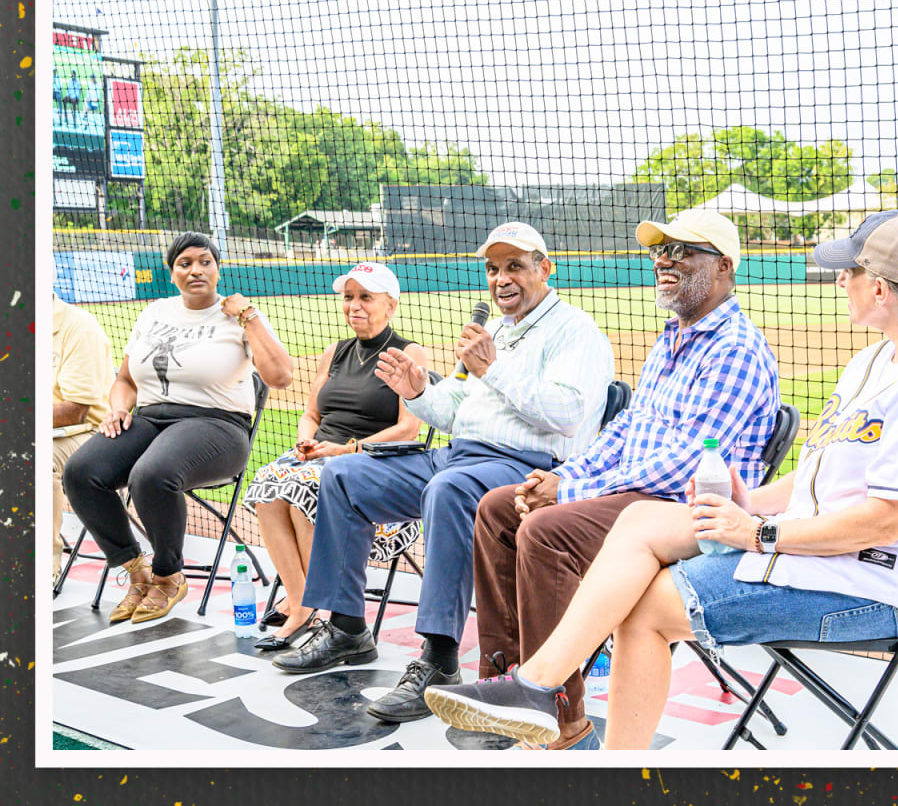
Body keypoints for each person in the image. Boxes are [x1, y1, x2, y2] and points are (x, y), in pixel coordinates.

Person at [424, 208, 898, 750]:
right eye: (662, 250)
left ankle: (550, 707)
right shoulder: (869, 363)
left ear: (883, 288)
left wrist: (758, 532)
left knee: (602, 570)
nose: (841, 279)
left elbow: (888, 521)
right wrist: (749, 505)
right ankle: (527, 688)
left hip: (866, 582)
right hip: (789, 546)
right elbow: (813, 481)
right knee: (517, 511)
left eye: (851, 270)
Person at [459, 208, 781, 750]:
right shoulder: (673, 339)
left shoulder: (736, 349)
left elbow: (686, 464)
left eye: (683, 251)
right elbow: (628, 431)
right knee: (499, 507)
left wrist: (573, 492)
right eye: (661, 250)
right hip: (639, 500)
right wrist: (564, 476)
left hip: (691, 514)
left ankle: (562, 721)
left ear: (724, 267)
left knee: (548, 530)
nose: (664, 260)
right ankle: (510, 681)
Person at [272, 221, 615, 727]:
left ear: (545, 269)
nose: (501, 278)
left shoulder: (576, 331)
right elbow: (454, 408)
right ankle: (347, 629)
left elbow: (565, 414)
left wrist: (492, 369)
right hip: (458, 453)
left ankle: (439, 659)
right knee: (343, 475)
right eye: (493, 269)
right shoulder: (495, 332)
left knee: (447, 490)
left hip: (524, 466)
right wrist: (416, 392)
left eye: (515, 266)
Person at [61, 232, 294, 624]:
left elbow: (281, 376)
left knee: (152, 475)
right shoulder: (154, 312)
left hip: (217, 425)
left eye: (205, 261)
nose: (196, 270)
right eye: (185, 263)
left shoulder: (239, 316)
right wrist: (118, 409)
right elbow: (125, 381)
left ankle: (168, 576)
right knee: (81, 472)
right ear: (172, 274)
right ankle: (136, 573)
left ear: (218, 269)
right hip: (151, 418)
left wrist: (249, 317)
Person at [241, 262, 428, 651]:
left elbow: (408, 429)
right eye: (348, 297)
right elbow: (311, 415)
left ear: (390, 305)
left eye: (365, 297)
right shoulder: (335, 352)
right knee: (267, 484)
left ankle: (321, 608)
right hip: (319, 456)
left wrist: (345, 449)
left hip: (371, 466)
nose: (353, 306)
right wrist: (305, 441)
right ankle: (301, 602)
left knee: (303, 489)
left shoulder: (408, 352)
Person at [51, 289, 113, 582]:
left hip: (91, 433)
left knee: (36, 459)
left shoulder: (78, 327)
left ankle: (41, 568)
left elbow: (74, 411)